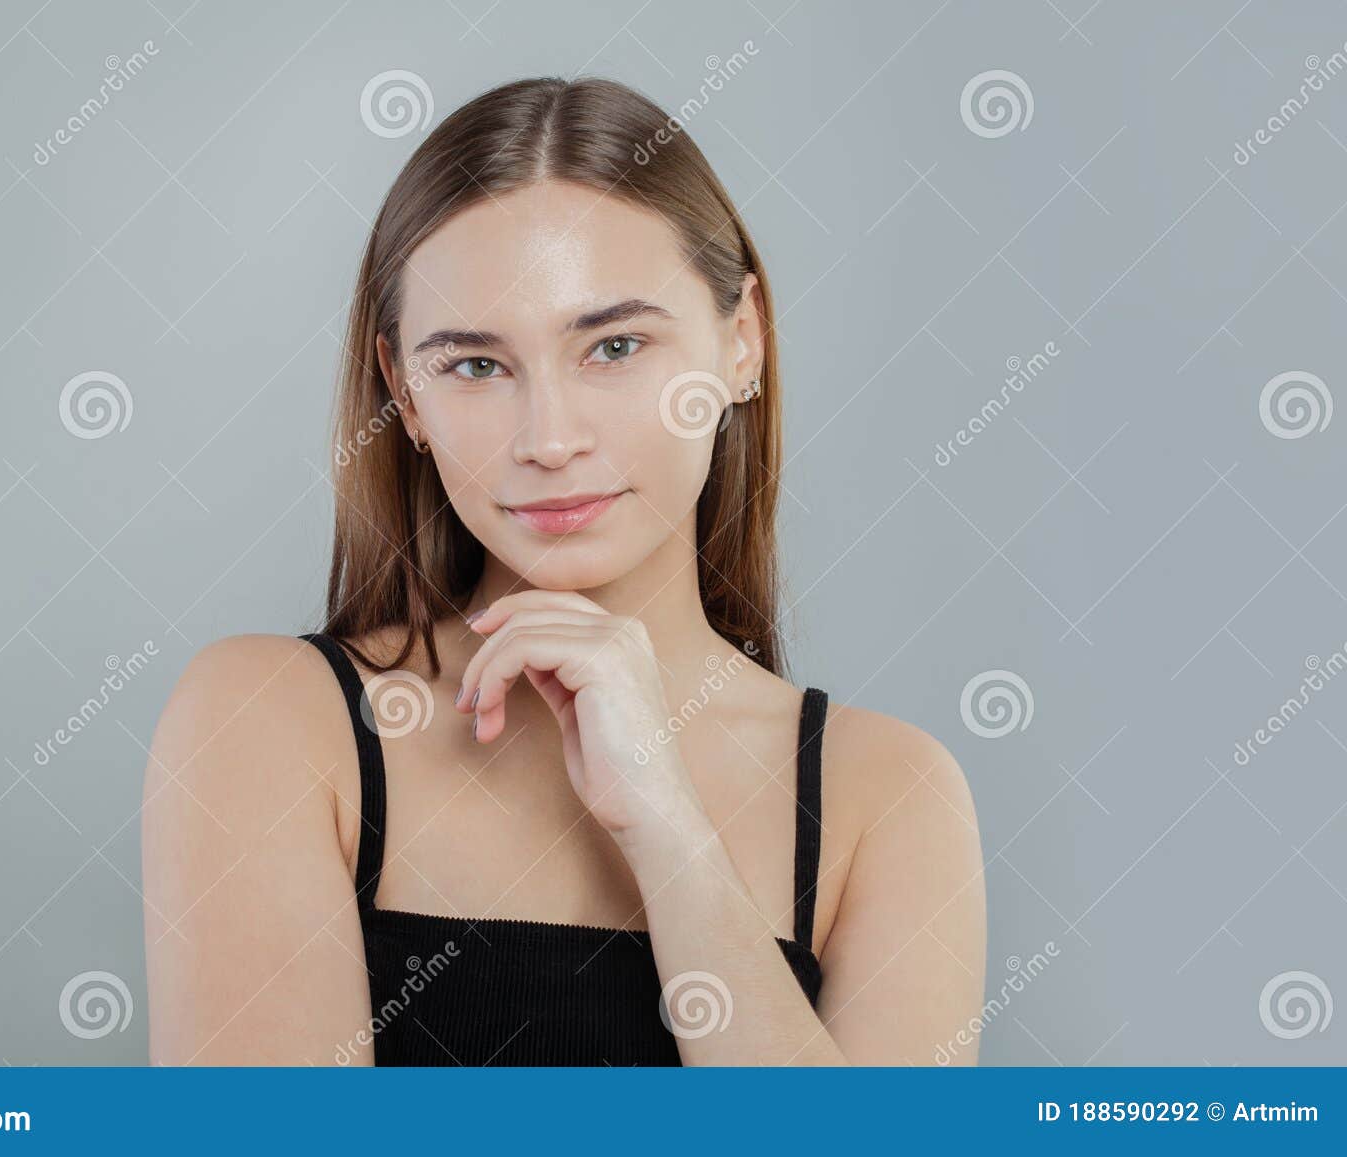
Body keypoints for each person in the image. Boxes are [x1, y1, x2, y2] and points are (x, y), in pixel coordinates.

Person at [142, 76, 985, 1066]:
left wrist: (666, 826)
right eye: (474, 366)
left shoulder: (885, 792)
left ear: (741, 340)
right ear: (402, 395)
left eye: (614, 345)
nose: (548, 439)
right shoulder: (271, 720)